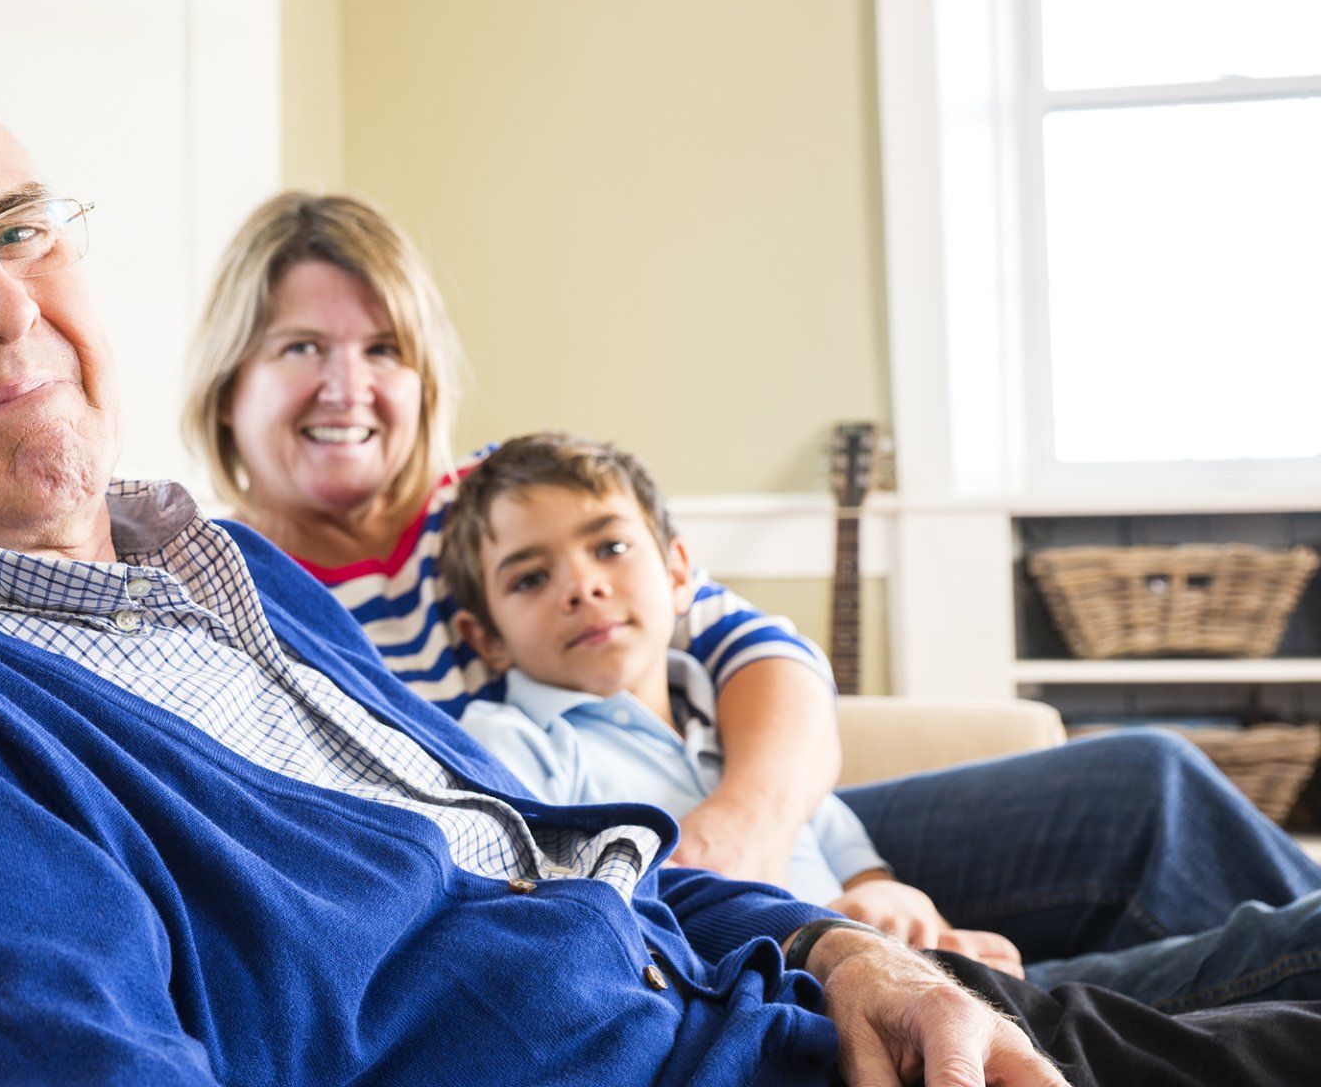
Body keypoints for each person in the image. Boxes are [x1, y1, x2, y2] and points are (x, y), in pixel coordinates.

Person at [0, 78, 1321, 1087]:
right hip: (720, 1053)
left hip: (772, 986)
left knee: (1189, 838)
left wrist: (831, 943)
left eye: (23, 228)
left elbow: (556, 826)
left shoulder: (226, 569)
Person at [182, 189, 1321, 980]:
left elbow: (755, 652)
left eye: (384, 347)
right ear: (231, 381)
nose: (349, 385)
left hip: (733, 828)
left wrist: (759, 831)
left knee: (1149, 784)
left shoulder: (504, 503)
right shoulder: (225, 591)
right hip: (609, 903)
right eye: (300, 348)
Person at [442, 430, 1321, 1011]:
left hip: (927, 972)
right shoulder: (512, 745)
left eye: (610, 546)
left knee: (1269, 957)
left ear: (681, 575)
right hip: (835, 1008)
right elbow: (567, 919)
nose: (582, 585)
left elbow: (851, 854)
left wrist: (891, 900)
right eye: (530, 577)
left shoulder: (739, 733)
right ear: (485, 636)